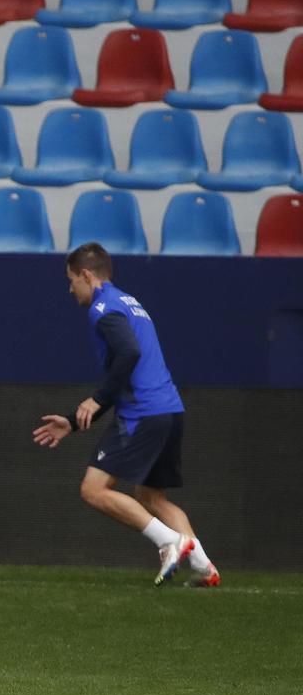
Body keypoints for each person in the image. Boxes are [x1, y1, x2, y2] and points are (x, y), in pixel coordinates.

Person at [32, 243, 219, 587]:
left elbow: (128, 354)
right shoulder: (128, 301)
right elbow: (130, 364)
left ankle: (169, 542)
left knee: (93, 488)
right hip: (169, 411)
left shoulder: (102, 308)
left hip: (143, 413)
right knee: (151, 497)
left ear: (86, 275)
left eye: (72, 279)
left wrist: (96, 397)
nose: (70, 288)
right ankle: (204, 567)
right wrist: (73, 421)